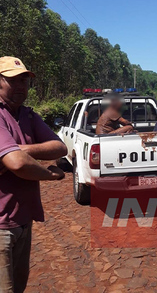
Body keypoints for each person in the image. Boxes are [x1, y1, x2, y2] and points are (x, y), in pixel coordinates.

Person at [0, 56, 67, 292]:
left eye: (24, 81)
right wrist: (50, 175)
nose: (20, 86)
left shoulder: (27, 115)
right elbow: (18, 164)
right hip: (1, 226)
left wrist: (18, 148)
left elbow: (60, 147)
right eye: (12, 80)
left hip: (22, 220)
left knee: (18, 287)